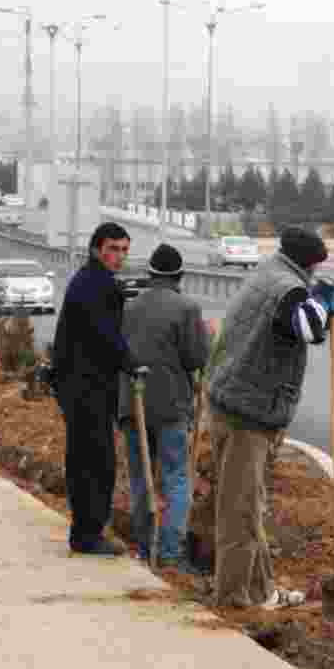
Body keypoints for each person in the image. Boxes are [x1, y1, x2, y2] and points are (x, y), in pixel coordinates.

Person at [207, 226, 334, 609]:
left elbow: (296, 327)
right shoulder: (288, 288)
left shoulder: (269, 273)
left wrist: (315, 304)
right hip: (246, 416)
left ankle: (261, 592)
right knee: (241, 511)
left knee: (248, 506)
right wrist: (321, 302)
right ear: (310, 263)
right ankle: (234, 601)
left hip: (233, 404)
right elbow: (305, 324)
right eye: (317, 268)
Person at [51, 222, 144, 556]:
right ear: (96, 249)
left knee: (87, 458)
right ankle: (88, 534)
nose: (119, 256)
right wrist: (132, 364)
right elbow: (105, 335)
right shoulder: (94, 284)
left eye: (124, 250)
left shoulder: (95, 280)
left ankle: (87, 531)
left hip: (81, 383)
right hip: (84, 385)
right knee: (95, 461)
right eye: (113, 249)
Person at [117, 243, 211, 572]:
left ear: (150, 274)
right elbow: (197, 358)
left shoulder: (129, 307)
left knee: (141, 478)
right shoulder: (187, 309)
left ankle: (145, 547)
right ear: (179, 277)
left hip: (133, 404)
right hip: (171, 407)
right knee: (176, 478)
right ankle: (171, 553)